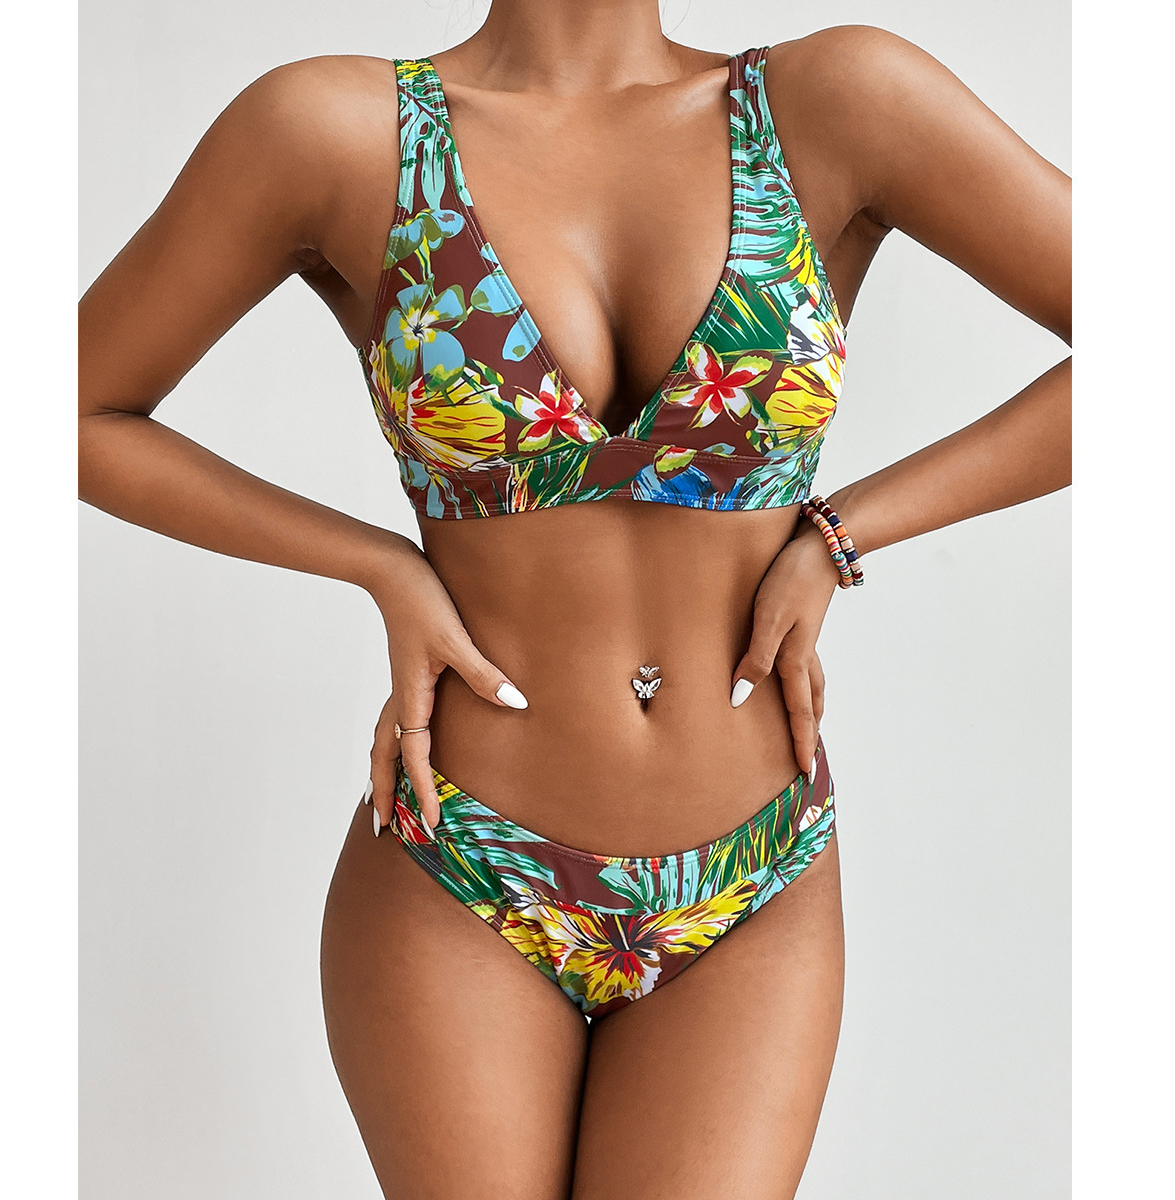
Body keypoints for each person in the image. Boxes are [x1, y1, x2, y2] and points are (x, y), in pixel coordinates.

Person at [78, 3, 1070, 1197]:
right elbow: (72, 410)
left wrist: (842, 531)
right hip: (463, 864)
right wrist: (380, 564)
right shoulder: (338, 131)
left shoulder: (838, 104)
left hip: (751, 875)